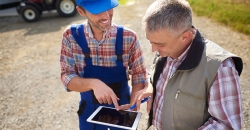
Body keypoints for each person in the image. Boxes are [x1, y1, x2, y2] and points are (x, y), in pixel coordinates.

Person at [133, 0, 244, 130]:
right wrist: (151, 85)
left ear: (185, 37)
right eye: (151, 42)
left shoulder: (220, 67)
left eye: (160, 44)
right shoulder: (168, 48)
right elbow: (156, 73)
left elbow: (228, 125)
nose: (153, 49)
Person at [59, 0, 148, 129]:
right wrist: (93, 83)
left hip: (122, 107)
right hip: (89, 109)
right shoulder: (71, 36)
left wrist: (132, 105)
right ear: (80, 11)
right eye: (97, 11)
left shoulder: (129, 37)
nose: (106, 16)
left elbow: (139, 75)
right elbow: (66, 77)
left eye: (108, 8)